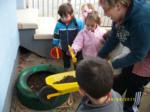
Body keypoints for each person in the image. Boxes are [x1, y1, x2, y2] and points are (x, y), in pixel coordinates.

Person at [98, 0, 150, 111]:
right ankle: (114, 101)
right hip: (136, 51)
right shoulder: (120, 16)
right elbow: (113, 38)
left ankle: (132, 108)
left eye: (105, 9)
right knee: (123, 78)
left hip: (146, 58)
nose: (105, 14)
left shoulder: (141, 20)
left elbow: (139, 54)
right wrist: (99, 58)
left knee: (136, 85)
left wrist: (111, 64)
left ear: (118, 6)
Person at [53, 3, 84, 70]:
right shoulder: (59, 25)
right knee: (66, 59)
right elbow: (56, 35)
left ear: (71, 14)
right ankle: (66, 68)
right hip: (64, 47)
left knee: (77, 60)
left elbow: (81, 33)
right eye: (62, 17)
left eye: (66, 16)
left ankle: (77, 69)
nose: (64, 19)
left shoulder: (77, 23)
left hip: (75, 47)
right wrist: (55, 44)